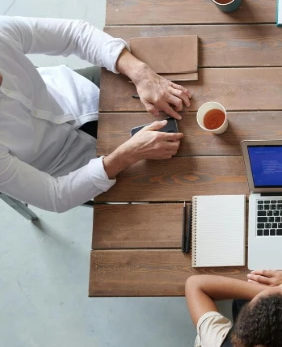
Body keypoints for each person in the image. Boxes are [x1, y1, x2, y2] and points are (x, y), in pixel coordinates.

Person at [0, 16, 190, 213]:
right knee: (167, 192)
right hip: (73, 167)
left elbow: (74, 35)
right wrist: (127, 155)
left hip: (77, 90)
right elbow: (54, 196)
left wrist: (140, 73)